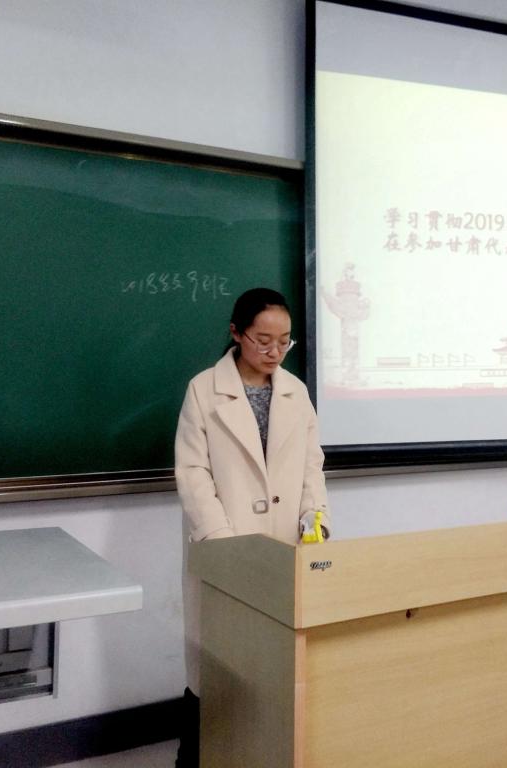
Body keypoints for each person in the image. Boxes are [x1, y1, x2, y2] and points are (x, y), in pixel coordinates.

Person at [173, 287, 330, 767]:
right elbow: (193, 472)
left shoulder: (295, 390)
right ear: (236, 333)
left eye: (284, 341)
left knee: (272, 668)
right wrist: (223, 544)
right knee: (216, 670)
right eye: (263, 340)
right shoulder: (204, 389)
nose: (274, 351)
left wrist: (315, 519)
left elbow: (311, 465)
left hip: (284, 549)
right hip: (226, 549)